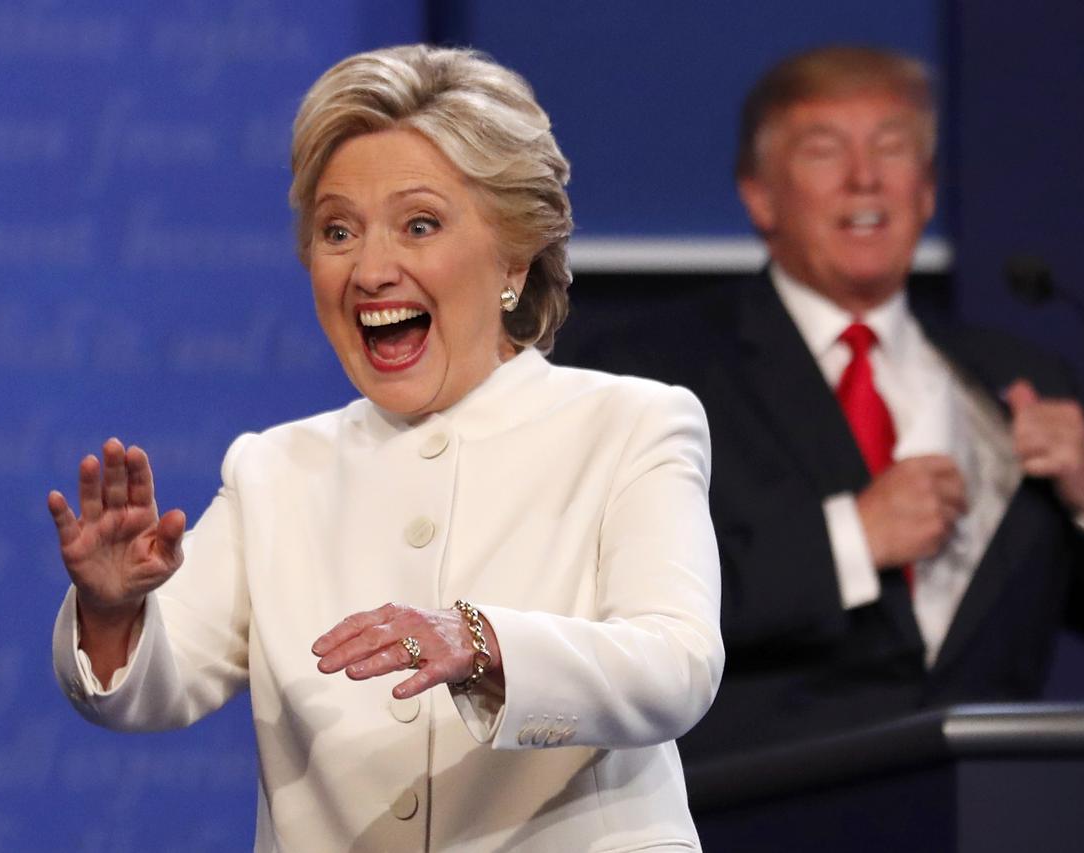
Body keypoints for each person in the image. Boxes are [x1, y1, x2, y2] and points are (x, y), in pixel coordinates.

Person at [49, 44, 723, 851]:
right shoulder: (274, 469)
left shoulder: (629, 425)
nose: (370, 270)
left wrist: (480, 642)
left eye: (420, 224)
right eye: (339, 230)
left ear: (515, 254)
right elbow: (150, 688)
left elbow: (676, 665)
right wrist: (114, 608)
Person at [561, 45, 1084, 759]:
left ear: (928, 190)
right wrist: (851, 539)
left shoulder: (1019, 378)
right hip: (765, 806)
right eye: (825, 151)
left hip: (992, 812)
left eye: (893, 147)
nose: (864, 178)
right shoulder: (654, 371)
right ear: (760, 195)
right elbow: (611, 606)